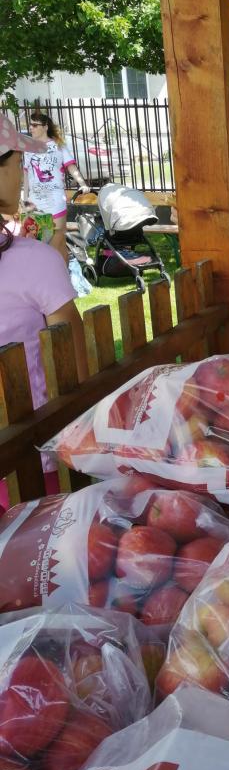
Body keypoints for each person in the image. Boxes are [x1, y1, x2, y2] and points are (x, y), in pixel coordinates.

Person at [0, 114, 89, 513]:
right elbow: (75, 371)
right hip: (35, 462)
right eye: (18, 163)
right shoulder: (36, 261)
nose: (23, 175)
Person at [22, 111, 90, 261]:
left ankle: (61, 273)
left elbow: (71, 167)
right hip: (35, 204)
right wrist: (25, 198)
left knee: (57, 244)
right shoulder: (28, 149)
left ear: (45, 127)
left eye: (35, 125)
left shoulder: (58, 146)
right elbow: (26, 175)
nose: (31, 128)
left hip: (55, 202)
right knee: (41, 245)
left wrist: (82, 184)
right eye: (30, 125)